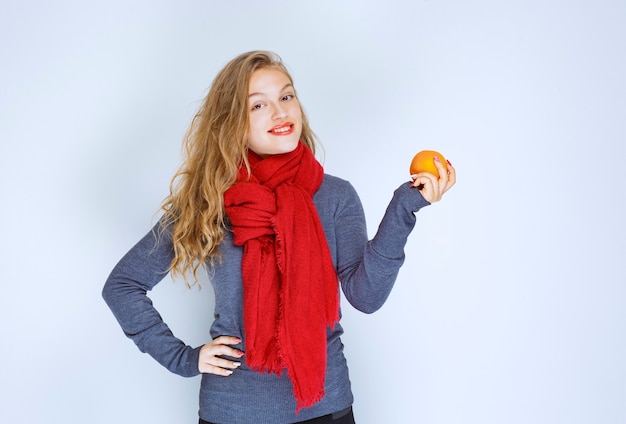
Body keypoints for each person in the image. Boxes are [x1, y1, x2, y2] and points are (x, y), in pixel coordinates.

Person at [102, 50, 456, 424]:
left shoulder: (335, 196)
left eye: (286, 97)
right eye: (259, 105)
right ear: (232, 123)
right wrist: (185, 359)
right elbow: (122, 285)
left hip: (325, 408)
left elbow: (365, 296)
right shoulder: (209, 202)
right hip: (233, 411)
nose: (280, 112)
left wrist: (404, 208)